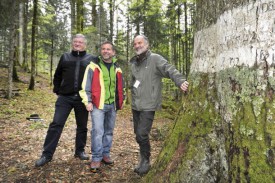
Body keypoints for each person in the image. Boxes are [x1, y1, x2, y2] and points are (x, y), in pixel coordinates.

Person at [130, 35, 189, 176]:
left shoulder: (155, 59)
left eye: (140, 43)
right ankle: (142, 159)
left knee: (142, 134)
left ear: (147, 44)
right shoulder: (134, 62)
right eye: (135, 44)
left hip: (149, 104)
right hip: (135, 104)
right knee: (138, 134)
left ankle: (145, 161)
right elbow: (134, 81)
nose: (137, 45)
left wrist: (180, 81)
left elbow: (169, 69)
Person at [35, 34, 96, 167]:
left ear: (85, 44)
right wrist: (58, 90)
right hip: (65, 97)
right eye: (75, 42)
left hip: (82, 99)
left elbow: (96, 79)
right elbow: (57, 75)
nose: (77, 44)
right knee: (56, 124)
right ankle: (47, 154)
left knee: (82, 126)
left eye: (80, 42)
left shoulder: (92, 59)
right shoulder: (65, 57)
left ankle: (79, 151)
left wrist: (91, 97)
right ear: (72, 43)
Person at [79, 41, 124, 173]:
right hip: (98, 105)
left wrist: (122, 101)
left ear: (113, 52)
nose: (106, 51)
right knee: (98, 131)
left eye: (108, 49)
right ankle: (96, 157)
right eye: (103, 49)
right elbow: (85, 86)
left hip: (112, 105)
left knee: (109, 132)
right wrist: (87, 101)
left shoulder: (118, 69)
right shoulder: (93, 66)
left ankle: (105, 154)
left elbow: (121, 87)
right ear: (101, 51)